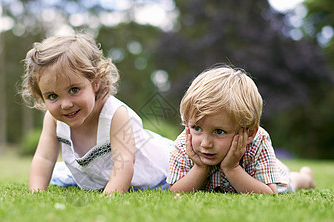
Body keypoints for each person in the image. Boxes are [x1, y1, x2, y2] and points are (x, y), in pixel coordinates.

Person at [22, 33, 172, 193]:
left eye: (74, 90)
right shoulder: (53, 119)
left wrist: (108, 199)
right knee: (59, 176)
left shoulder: (115, 115)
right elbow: (44, 159)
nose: (65, 104)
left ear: (95, 82)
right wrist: (36, 193)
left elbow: (124, 165)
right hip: (97, 176)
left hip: (156, 176)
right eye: (52, 96)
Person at [167, 65, 316, 194]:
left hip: (266, 177)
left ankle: (305, 177)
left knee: (291, 182)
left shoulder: (258, 142)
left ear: (249, 133)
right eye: (197, 128)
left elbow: (270, 193)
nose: (205, 144)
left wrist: (232, 168)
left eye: (219, 131)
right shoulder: (184, 144)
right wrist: (200, 168)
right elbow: (175, 191)